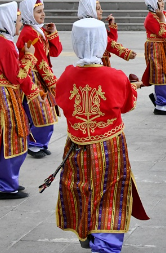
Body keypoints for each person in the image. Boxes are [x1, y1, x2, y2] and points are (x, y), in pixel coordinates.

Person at [55, 18, 149, 252]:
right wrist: (133, 87)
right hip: (109, 147)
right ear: (101, 43)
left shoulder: (66, 76)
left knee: (80, 188)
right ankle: (105, 243)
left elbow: (63, 104)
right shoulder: (115, 76)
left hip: (76, 146)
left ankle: (86, 230)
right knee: (111, 193)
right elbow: (127, 105)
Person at [0, 1, 41, 199]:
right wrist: (29, 57)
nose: (20, 25)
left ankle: (5, 180)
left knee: (8, 138)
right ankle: (5, 185)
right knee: (12, 138)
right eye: (18, 20)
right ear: (7, 21)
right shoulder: (3, 44)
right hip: (1, 97)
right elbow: (17, 76)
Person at [16, 0, 61, 159]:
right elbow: (41, 63)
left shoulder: (38, 30)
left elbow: (55, 53)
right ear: (29, 13)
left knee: (43, 114)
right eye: (39, 12)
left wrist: (52, 33)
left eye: (43, 11)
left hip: (40, 77)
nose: (43, 15)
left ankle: (40, 143)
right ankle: (34, 145)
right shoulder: (29, 33)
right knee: (41, 114)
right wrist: (54, 85)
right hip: (33, 79)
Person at [77, 0, 137, 68]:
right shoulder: (92, 27)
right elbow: (108, 43)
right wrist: (125, 53)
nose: (101, 11)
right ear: (91, 11)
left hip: (101, 61)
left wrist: (112, 26)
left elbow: (112, 40)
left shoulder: (95, 25)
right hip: (97, 63)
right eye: (98, 9)